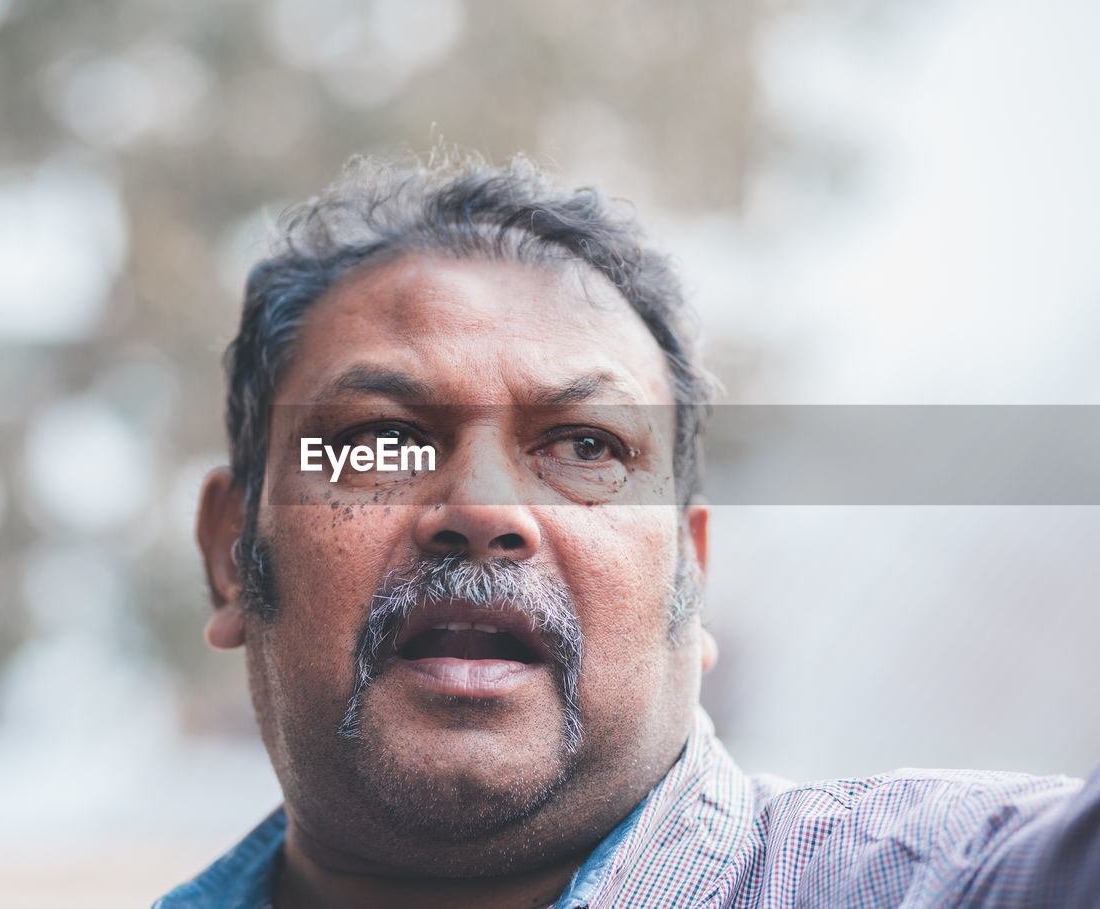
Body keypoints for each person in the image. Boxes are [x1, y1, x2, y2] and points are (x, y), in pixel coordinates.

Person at [155, 153, 1100, 908]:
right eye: (383, 437)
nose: (484, 509)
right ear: (233, 551)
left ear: (691, 575)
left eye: (587, 445)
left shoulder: (950, 881)